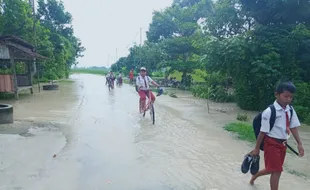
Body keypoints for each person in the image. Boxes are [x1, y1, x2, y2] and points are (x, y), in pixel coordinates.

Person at [249, 81, 304, 190]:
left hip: (283, 145)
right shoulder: (269, 112)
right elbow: (262, 132)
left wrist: (300, 144)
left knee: (272, 169)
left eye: (291, 97)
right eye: (286, 96)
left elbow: (293, 127)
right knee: (277, 170)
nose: (288, 99)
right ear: (276, 95)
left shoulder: (290, 110)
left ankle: (254, 177)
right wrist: (256, 149)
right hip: (271, 144)